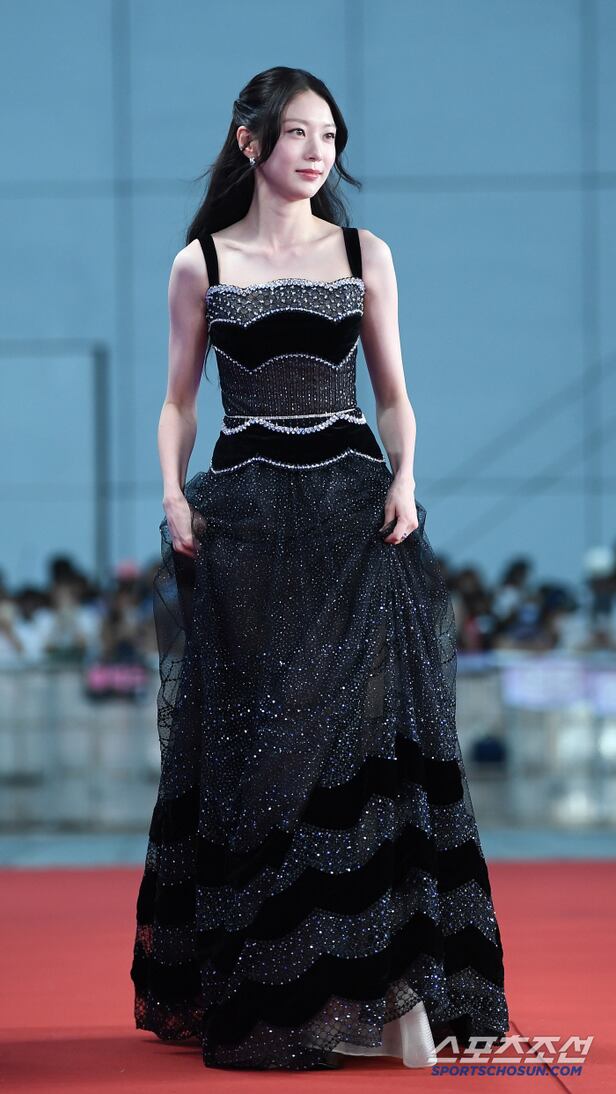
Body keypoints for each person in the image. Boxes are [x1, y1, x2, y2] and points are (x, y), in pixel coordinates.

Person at [130, 65, 510, 1072]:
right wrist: (172, 493)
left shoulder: (362, 253)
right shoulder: (201, 263)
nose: (317, 153)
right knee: (261, 752)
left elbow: (394, 393)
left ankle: (395, 985)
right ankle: (280, 985)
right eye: (299, 132)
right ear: (250, 141)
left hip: (355, 514)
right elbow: (178, 400)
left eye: (330, 137)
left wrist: (406, 479)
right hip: (246, 520)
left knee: (374, 741)